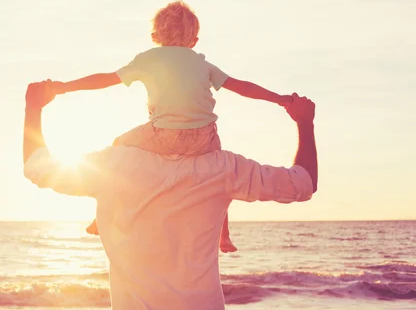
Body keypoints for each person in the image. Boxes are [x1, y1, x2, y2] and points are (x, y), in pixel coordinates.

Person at [23, 81, 317, 310]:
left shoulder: (115, 164)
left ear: (152, 109)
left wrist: (34, 106)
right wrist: (304, 122)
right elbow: (303, 184)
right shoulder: (223, 168)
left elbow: (38, 168)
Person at [51, 0, 293, 253]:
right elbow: (242, 86)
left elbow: (106, 79)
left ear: (155, 35)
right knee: (222, 172)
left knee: (117, 146)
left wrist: (64, 86)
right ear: (194, 40)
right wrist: (280, 99)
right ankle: (224, 236)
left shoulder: (147, 59)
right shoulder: (202, 63)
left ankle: (99, 215)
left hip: (163, 135)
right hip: (204, 138)